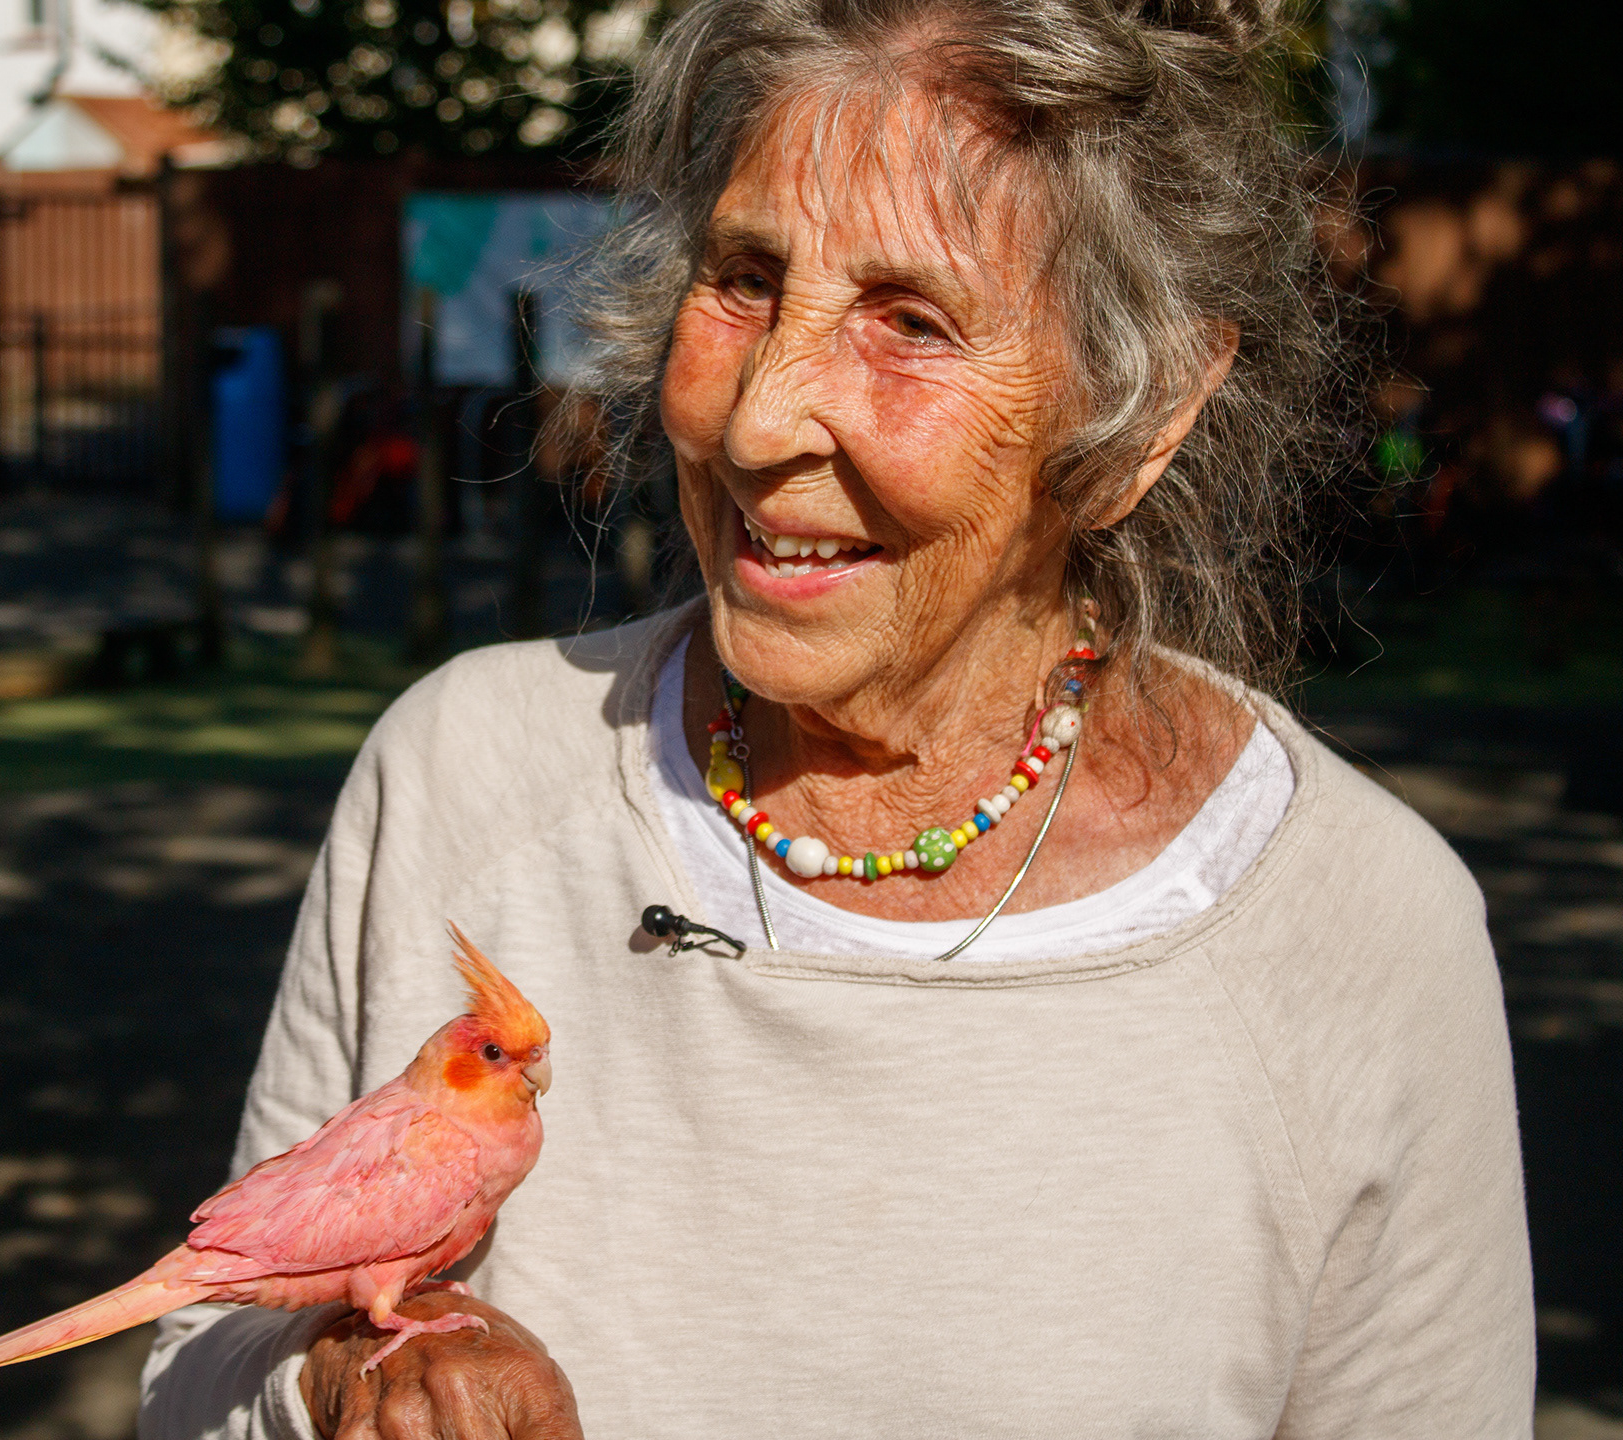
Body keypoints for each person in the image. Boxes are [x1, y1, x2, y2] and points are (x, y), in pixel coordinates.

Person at [140, 0, 1533, 1434]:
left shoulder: (1361, 931)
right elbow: (196, 1380)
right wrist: (345, 1387)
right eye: (744, 278)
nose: (756, 422)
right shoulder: (463, 777)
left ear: (1146, 405)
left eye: (910, 320)